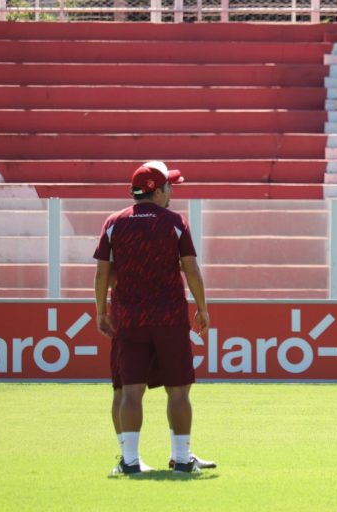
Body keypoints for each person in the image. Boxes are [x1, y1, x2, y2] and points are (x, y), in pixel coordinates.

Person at [94, 160, 212, 474]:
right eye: (169, 186)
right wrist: (202, 308)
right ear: (156, 191)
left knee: (130, 391)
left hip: (128, 319)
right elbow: (191, 269)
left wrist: (101, 312)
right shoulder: (175, 222)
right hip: (170, 317)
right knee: (179, 390)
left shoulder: (114, 223)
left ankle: (130, 461)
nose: (172, 191)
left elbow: (102, 273)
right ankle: (182, 459)